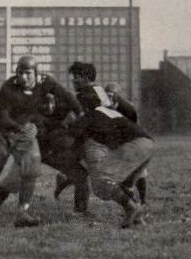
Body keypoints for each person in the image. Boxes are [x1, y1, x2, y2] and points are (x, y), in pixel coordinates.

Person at [0, 55, 81, 227]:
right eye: (20, 73)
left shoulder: (47, 82)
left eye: (28, 73)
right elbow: (2, 117)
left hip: (24, 131)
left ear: (36, 73)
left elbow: (70, 99)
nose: (23, 77)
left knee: (32, 166)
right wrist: (20, 128)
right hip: (0, 131)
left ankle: (22, 212)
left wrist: (81, 115)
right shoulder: (9, 87)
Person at [66, 88, 154, 228]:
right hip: (148, 144)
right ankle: (137, 217)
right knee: (123, 184)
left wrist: (69, 122)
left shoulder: (90, 115)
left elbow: (71, 134)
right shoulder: (108, 111)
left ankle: (132, 208)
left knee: (102, 184)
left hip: (133, 146)